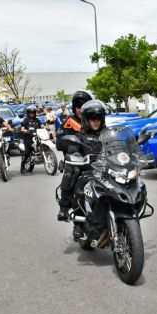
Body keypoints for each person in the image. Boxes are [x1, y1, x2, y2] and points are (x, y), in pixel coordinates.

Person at [57, 100, 107, 236]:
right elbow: (73, 149)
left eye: (99, 118)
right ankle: (77, 222)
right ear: (86, 120)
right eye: (92, 118)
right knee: (79, 188)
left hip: (108, 172)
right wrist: (77, 155)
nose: (96, 121)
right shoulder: (80, 136)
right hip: (89, 172)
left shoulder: (108, 135)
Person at [56, 90, 93, 220]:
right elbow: (59, 142)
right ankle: (64, 207)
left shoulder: (95, 120)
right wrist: (72, 146)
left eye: (83, 106)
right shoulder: (70, 121)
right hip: (76, 159)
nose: (80, 110)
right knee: (70, 173)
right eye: (78, 106)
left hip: (95, 158)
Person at [19, 106, 43, 174]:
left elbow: (41, 126)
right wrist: (25, 130)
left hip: (37, 137)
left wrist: (45, 128)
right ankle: (22, 166)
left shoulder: (37, 120)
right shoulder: (25, 120)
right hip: (28, 138)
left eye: (33, 112)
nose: (32, 114)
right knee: (27, 153)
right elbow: (22, 128)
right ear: (28, 113)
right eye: (30, 113)